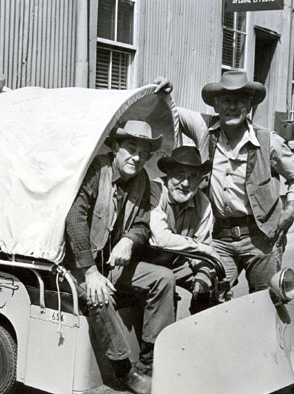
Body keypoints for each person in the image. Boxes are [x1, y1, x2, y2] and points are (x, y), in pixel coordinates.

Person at [157, 71, 294, 294]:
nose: (233, 107)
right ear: (216, 105)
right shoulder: (203, 128)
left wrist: (290, 208)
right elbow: (169, 109)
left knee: (266, 302)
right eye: (227, 100)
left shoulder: (269, 141)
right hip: (219, 237)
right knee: (208, 299)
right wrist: (164, 90)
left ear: (249, 106)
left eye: (240, 101)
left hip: (260, 237)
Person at [64, 120, 175, 394]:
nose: (137, 158)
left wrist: (128, 240)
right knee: (99, 295)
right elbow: (74, 217)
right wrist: (89, 271)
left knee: (164, 278)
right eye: (130, 148)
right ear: (115, 147)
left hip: (111, 264)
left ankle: (150, 361)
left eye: (144, 153)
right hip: (77, 265)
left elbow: (142, 223)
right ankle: (124, 369)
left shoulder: (142, 179)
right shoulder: (96, 170)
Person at [149, 146, 218, 313]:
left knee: (210, 283)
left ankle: (200, 330)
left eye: (193, 177)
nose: (186, 184)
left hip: (177, 264)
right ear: (168, 175)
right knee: (165, 281)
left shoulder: (203, 203)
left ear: (200, 180)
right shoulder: (156, 190)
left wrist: (202, 273)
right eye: (180, 176)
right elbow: (161, 239)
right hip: (147, 261)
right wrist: (201, 248)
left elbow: (203, 245)